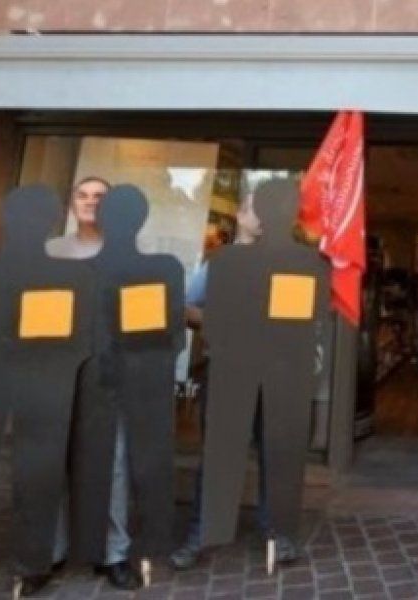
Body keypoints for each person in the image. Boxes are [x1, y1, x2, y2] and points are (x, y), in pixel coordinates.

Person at [169, 197, 299, 570]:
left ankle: (277, 533)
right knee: (219, 455)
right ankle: (201, 533)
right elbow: (187, 308)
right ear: (241, 215)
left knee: (275, 455)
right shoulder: (219, 263)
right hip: (228, 370)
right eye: (258, 209)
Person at [26, 176, 140, 594]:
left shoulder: (130, 255)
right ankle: (48, 552)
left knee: (113, 463)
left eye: (99, 196)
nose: (90, 202)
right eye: (83, 195)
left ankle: (114, 553)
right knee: (51, 460)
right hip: (55, 371)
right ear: (71, 204)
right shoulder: (50, 252)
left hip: (108, 374)